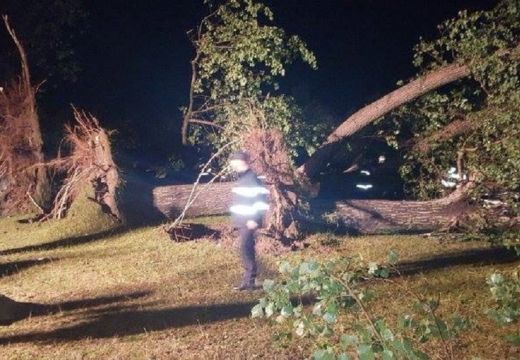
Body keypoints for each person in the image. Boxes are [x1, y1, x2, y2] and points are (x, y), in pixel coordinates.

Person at [229, 151, 269, 291]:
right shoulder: (243, 178)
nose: (232, 165)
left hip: (248, 221)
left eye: (234, 162)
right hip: (242, 221)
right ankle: (247, 281)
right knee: (245, 250)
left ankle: (249, 281)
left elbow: (261, 200)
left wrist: (254, 219)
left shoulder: (251, 178)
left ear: (241, 162)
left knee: (247, 249)